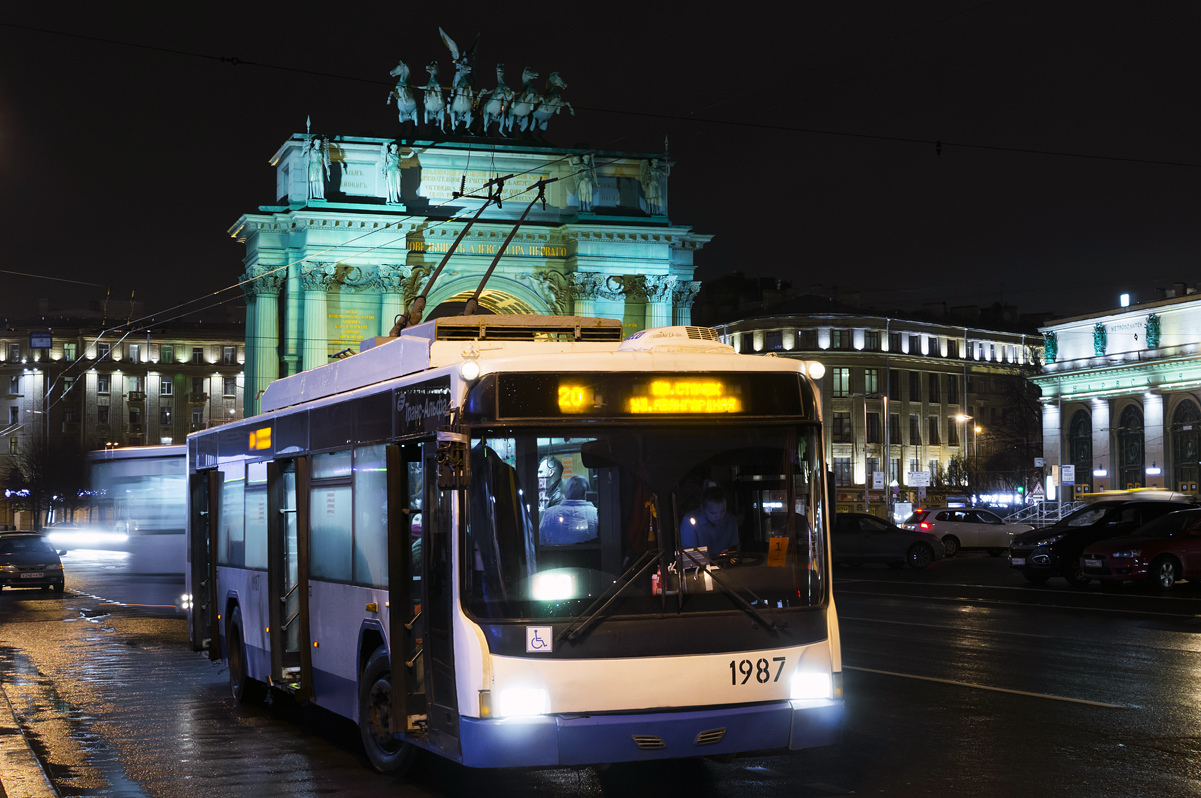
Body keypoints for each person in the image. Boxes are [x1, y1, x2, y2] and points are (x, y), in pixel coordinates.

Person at [679, 486, 739, 557]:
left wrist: (731, 552)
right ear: (702, 508)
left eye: (723, 511)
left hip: (726, 566)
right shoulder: (689, 522)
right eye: (713, 513)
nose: (719, 516)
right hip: (700, 567)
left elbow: (735, 550)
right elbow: (690, 557)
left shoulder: (731, 520)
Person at [539, 476, 598, 544]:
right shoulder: (596, 514)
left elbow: (540, 541)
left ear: (567, 491)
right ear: (587, 491)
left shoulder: (549, 513)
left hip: (555, 554)